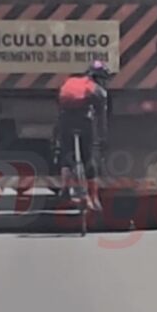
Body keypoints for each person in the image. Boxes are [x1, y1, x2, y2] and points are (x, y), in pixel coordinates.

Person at [55, 60, 111, 211]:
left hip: (66, 120)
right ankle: (94, 197)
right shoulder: (97, 90)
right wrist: (102, 137)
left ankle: (65, 188)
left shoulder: (70, 82)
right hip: (84, 122)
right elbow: (101, 117)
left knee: (66, 154)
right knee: (88, 157)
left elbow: (60, 104)